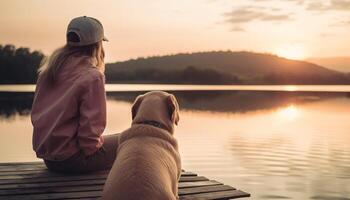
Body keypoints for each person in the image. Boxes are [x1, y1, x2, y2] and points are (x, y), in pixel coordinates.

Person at [31, 16, 118, 173]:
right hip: (73, 161)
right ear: (97, 45)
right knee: (132, 139)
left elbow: (37, 115)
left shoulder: (47, 72)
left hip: (50, 160)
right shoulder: (92, 77)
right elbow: (91, 131)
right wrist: (95, 151)